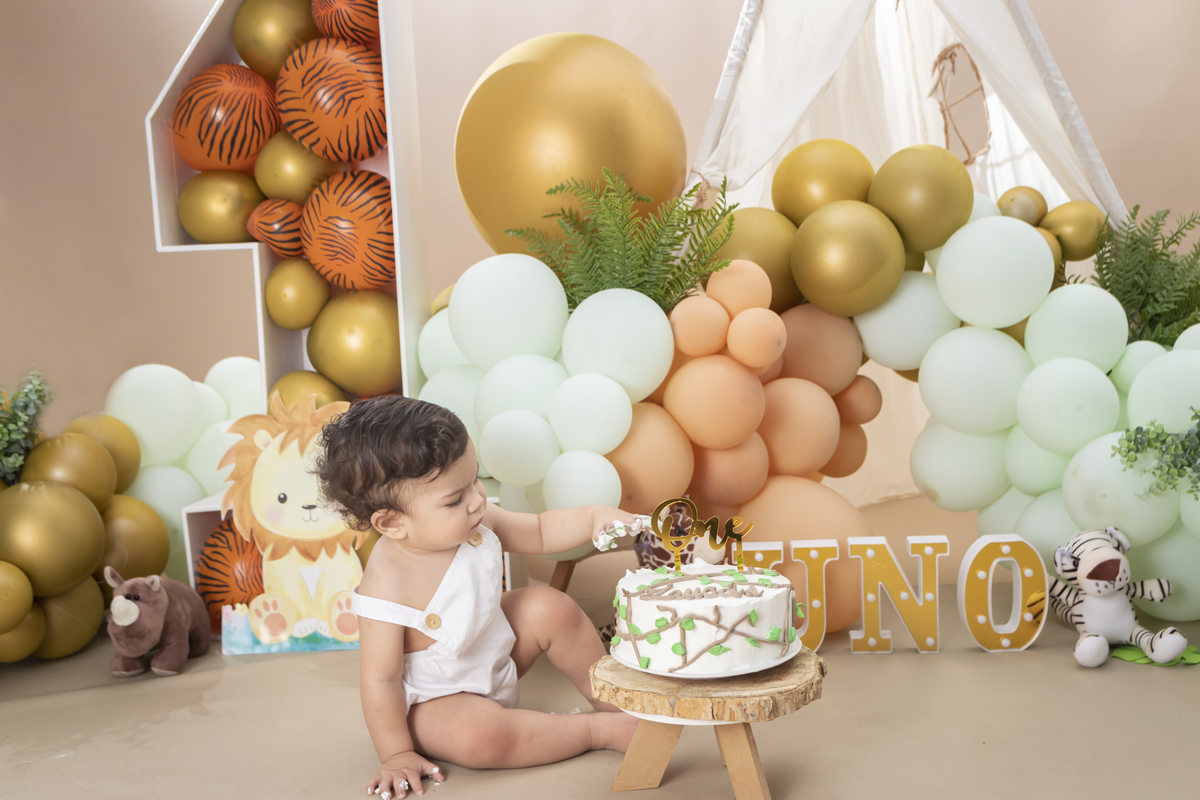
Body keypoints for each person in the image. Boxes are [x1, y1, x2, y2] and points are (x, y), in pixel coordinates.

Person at [314, 396, 640, 799]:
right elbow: (380, 679)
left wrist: (591, 518)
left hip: (493, 648)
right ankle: (596, 730)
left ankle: (615, 700)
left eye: (475, 479)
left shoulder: (474, 518)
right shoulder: (387, 582)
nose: (476, 500)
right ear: (392, 522)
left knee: (551, 607)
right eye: (455, 498)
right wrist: (396, 753)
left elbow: (539, 531)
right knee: (479, 737)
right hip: (438, 699)